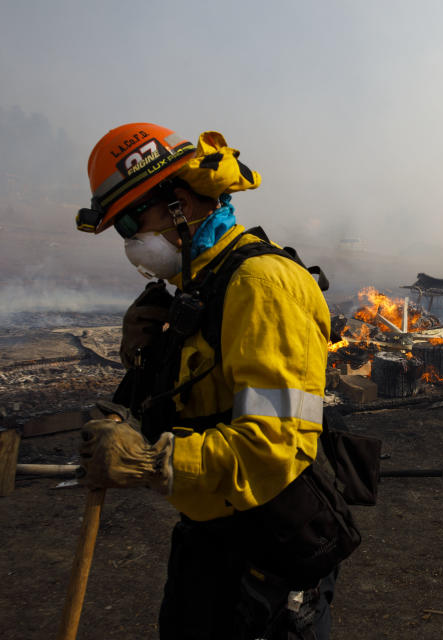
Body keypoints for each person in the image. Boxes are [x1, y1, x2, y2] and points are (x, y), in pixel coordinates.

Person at [74, 123, 357, 639]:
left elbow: (274, 446)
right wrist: (144, 360)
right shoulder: (202, 284)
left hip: (269, 555)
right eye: (121, 228)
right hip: (214, 536)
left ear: (182, 203)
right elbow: (196, 403)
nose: (132, 240)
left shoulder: (260, 285)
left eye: (135, 219)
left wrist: (150, 461)